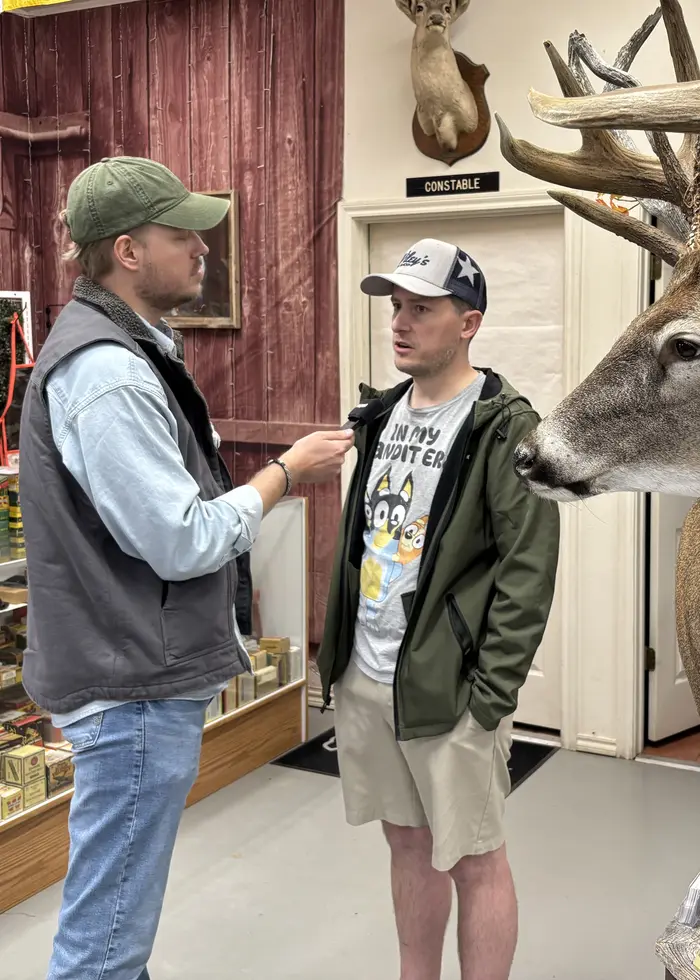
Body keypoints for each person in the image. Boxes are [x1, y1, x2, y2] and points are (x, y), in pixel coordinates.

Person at [19, 155, 354, 980]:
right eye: (183, 235)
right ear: (127, 251)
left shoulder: (131, 348)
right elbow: (181, 540)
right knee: (106, 941)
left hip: (132, 673)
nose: (203, 248)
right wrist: (284, 474)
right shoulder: (106, 372)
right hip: (130, 686)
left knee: (114, 917)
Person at [317, 238, 560, 980]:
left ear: (469, 323)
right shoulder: (380, 415)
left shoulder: (504, 424)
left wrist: (492, 693)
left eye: (422, 308)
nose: (400, 321)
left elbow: (528, 567)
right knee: (406, 841)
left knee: (477, 859)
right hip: (368, 675)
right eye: (395, 306)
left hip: (450, 691)